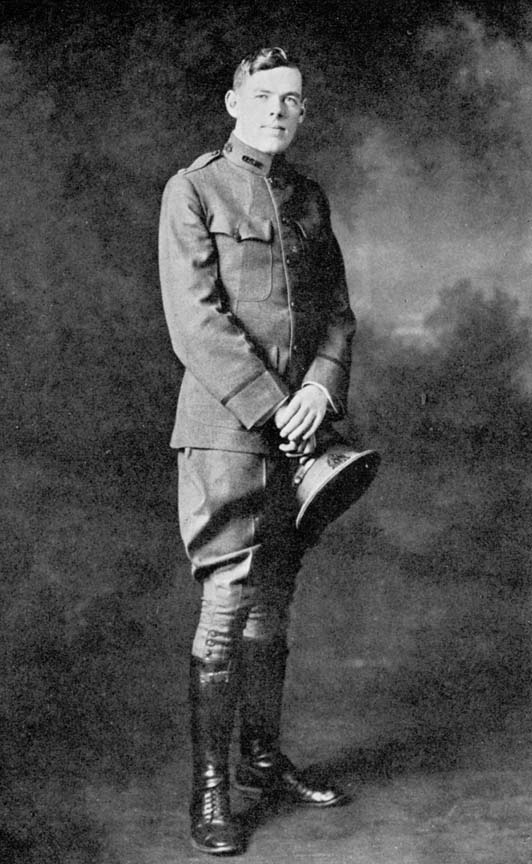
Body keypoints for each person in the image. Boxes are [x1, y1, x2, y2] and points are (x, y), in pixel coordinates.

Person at [159, 47, 356, 856]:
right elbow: (196, 322)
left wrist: (321, 390)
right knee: (228, 599)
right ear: (234, 102)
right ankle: (211, 790)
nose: (279, 109)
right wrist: (281, 408)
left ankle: (263, 763)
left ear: (303, 112)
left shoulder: (308, 197)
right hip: (227, 430)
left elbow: (335, 312)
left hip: (302, 430)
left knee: (275, 598)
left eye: (293, 99)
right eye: (264, 95)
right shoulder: (193, 189)